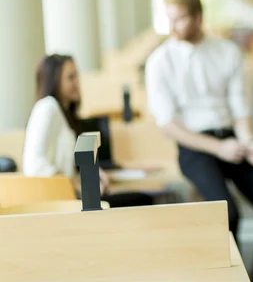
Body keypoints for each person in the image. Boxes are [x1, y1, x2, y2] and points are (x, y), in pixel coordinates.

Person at [145, 0, 253, 282]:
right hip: (195, 147)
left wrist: (250, 144)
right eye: (169, 19)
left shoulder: (227, 52)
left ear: (199, 18)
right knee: (228, 215)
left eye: (180, 19)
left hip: (232, 140)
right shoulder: (160, 62)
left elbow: (240, 109)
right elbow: (169, 125)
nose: (172, 27)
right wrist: (218, 148)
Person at [22, 54, 154, 208]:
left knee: (138, 198)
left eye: (76, 75)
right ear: (54, 81)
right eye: (71, 77)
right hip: (60, 202)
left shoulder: (63, 113)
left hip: (69, 199)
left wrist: (95, 174)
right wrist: (76, 186)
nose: (77, 82)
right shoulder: (47, 107)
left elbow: (66, 163)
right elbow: (35, 165)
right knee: (141, 200)